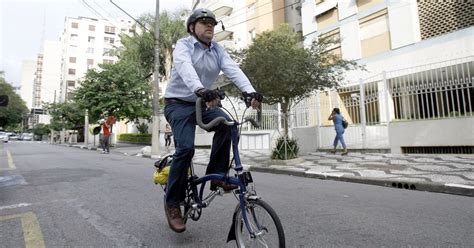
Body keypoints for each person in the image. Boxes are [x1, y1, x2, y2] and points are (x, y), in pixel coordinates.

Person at [162, 8, 262, 233]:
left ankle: (217, 176)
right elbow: (185, 67)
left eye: (212, 24)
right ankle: (172, 203)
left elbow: (233, 70)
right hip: (178, 104)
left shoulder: (218, 49)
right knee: (186, 149)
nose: (209, 26)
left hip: (203, 102)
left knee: (227, 125)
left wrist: (250, 92)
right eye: (204, 22)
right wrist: (200, 89)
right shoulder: (184, 45)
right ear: (192, 28)